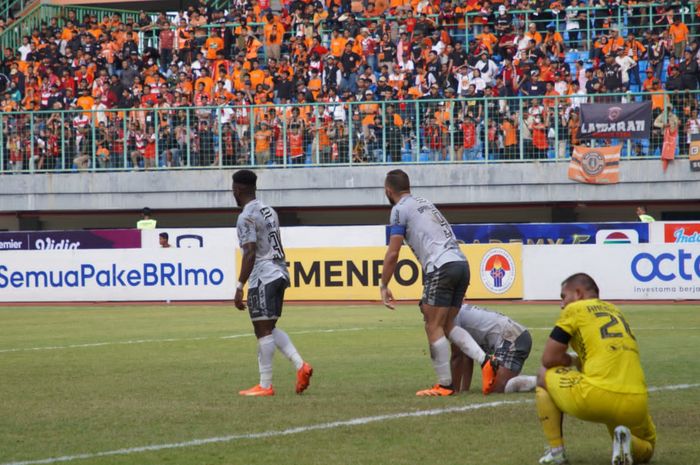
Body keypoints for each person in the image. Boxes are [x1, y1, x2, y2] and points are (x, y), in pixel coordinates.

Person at [379, 169, 497, 396]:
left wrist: (384, 285)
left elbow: (393, 253)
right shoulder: (424, 202)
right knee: (447, 324)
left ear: (388, 190)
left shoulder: (398, 210)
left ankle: (445, 385)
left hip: (441, 267)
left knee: (432, 325)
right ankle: (486, 362)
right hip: (460, 263)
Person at [535, 273, 656, 465]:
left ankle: (556, 452)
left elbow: (550, 359)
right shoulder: (615, 310)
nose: (562, 304)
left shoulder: (574, 309)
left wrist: (573, 361)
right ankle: (626, 440)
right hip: (637, 400)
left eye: (563, 297)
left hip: (598, 396)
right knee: (647, 447)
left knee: (543, 374)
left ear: (578, 293)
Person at [232, 170, 313, 397]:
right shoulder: (269, 210)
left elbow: (249, 253)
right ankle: (300, 366)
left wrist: (240, 286)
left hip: (263, 275)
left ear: (237, 189)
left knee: (262, 330)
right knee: (269, 327)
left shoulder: (245, 216)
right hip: (280, 272)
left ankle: (265, 385)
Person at [450, 304, 536, 394]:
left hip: (512, 337)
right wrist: (464, 390)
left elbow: (457, 355)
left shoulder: (453, 315)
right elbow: (466, 355)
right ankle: (522, 380)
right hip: (513, 335)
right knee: (496, 384)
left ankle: (539, 381)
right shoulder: (457, 310)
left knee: (496, 389)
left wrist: (453, 390)